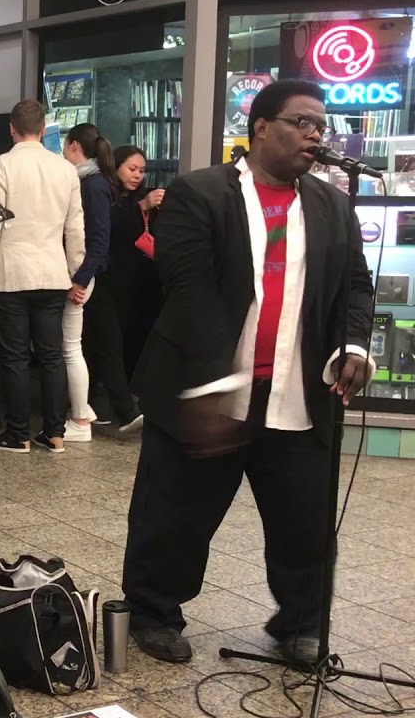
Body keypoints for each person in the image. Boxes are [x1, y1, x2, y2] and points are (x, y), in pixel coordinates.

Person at [120, 80, 374, 666]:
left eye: (322, 125)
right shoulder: (200, 192)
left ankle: (301, 624)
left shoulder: (333, 203)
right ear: (261, 127)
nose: (317, 134)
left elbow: (354, 286)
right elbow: (188, 291)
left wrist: (354, 345)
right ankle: (154, 611)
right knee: (175, 514)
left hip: (298, 392)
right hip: (204, 392)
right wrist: (214, 385)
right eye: (303, 122)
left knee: (306, 521)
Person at [0, 99, 85, 453]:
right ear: (44, 127)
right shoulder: (65, 169)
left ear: (11, 129)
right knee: (51, 356)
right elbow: (76, 226)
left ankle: (17, 434)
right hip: (52, 273)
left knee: (14, 357)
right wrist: (75, 271)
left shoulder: (0, 166)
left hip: (9, 275)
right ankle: (54, 433)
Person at [60, 124, 142, 439]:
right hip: (95, 275)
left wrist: (80, 279)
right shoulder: (94, 183)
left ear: (72, 146)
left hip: (90, 276)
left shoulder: (91, 185)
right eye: (132, 168)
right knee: (91, 345)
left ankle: (87, 414)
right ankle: (94, 407)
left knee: (79, 347)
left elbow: (97, 238)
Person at [106, 146, 165, 382]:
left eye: (141, 170)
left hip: (144, 278)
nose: (137, 175)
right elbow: (110, 229)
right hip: (115, 278)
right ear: (116, 166)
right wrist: (141, 207)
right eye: (131, 169)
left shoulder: (144, 196)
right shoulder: (108, 196)